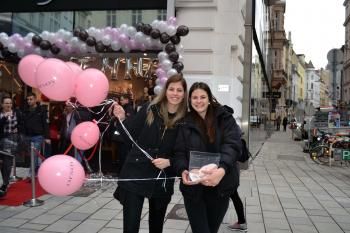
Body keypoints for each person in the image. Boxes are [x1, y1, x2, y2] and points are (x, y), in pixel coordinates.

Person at [112, 74, 188, 233]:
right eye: (171, 89)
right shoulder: (150, 108)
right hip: (136, 173)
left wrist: (170, 162)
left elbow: (186, 151)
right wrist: (121, 119)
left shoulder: (187, 119)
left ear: (184, 93)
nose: (175, 93)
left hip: (162, 177)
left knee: (156, 226)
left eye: (179, 90)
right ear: (165, 90)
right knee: (131, 227)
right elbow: (129, 136)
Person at [172, 82, 241, 233]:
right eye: (194, 97)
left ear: (209, 98)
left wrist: (221, 170)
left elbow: (233, 145)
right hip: (194, 190)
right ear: (189, 100)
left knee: (212, 229)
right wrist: (182, 170)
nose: (199, 101)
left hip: (220, 187)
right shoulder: (184, 122)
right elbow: (178, 152)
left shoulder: (225, 118)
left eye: (203, 97)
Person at [22, 92, 50, 178]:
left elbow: (45, 124)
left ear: (35, 99)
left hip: (38, 136)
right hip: (27, 136)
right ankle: (40, 171)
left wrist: (47, 137)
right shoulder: (25, 110)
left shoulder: (41, 110)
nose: (29, 101)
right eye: (28, 99)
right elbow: (23, 123)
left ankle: (31, 174)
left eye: (31, 99)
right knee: (34, 156)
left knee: (34, 155)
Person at [0, 96, 23, 197]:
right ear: (2, 104)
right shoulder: (1, 114)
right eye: (6, 103)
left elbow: (21, 124)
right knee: (1, 163)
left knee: (7, 163)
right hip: (1, 140)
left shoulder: (16, 113)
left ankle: (5, 184)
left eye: (10, 103)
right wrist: (5, 117)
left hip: (10, 141)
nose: (8, 105)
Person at [59, 98, 92, 163]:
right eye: (67, 105)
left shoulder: (79, 112)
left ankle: (78, 168)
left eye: (69, 105)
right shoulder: (66, 114)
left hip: (79, 137)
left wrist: (78, 109)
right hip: (68, 138)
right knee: (72, 155)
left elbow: (87, 117)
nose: (67, 107)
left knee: (78, 155)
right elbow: (64, 126)